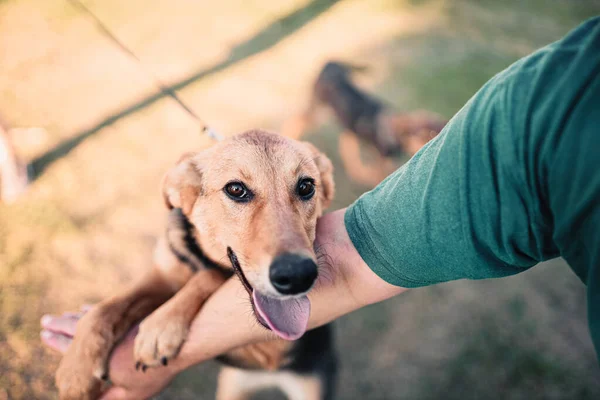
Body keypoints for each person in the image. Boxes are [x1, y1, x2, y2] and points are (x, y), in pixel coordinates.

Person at [41, 17, 600, 400]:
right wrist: (105, 325)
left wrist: (183, 308)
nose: (289, 241)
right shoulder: (548, 113)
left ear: (322, 189)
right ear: (184, 195)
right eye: (240, 191)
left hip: (302, 363)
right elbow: (163, 277)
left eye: (303, 190)